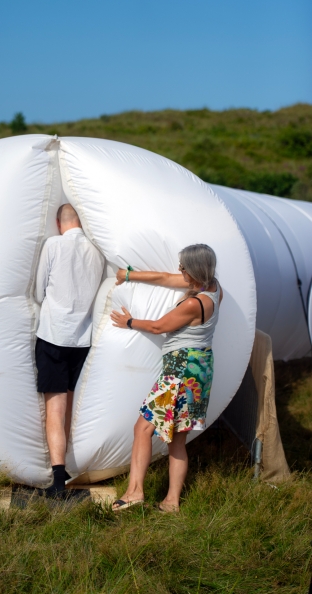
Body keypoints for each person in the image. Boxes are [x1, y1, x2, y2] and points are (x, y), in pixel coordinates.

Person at [110, 244, 223, 513]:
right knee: (177, 439)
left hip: (181, 371)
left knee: (143, 428)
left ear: (194, 271)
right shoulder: (214, 287)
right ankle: (171, 502)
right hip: (199, 369)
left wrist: (129, 322)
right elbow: (163, 277)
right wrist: (128, 276)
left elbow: (160, 326)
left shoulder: (196, 303)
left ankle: (135, 492)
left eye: (183, 267)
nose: (179, 271)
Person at [34, 203, 104, 497]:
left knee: (55, 407)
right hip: (82, 338)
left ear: (58, 222)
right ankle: (71, 468)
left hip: (53, 334)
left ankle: (58, 480)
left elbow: (39, 292)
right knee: (70, 408)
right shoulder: (96, 252)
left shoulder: (53, 244)